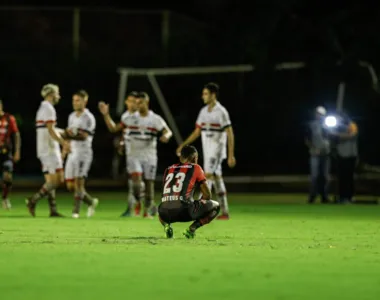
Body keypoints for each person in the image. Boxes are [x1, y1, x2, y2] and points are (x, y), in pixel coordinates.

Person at [99, 92, 172, 218]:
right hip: (133, 155)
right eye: (136, 103)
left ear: (146, 103)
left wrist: (166, 136)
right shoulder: (130, 118)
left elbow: (168, 131)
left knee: (149, 184)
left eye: (140, 103)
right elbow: (114, 129)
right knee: (137, 184)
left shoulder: (155, 119)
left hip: (150, 155)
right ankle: (144, 203)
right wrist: (106, 115)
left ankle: (148, 208)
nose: (137, 105)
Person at [176, 82, 236, 220]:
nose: (203, 96)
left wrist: (231, 155)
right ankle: (225, 211)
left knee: (206, 176)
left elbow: (230, 133)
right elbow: (197, 132)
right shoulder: (203, 112)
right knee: (217, 178)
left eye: (205, 94)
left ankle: (197, 208)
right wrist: (183, 145)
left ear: (213, 95)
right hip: (208, 150)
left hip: (217, 150)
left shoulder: (221, 112)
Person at [98, 91, 145, 216]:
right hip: (131, 153)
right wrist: (106, 114)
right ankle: (135, 206)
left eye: (135, 101)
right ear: (126, 102)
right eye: (130, 101)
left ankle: (142, 205)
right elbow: (115, 129)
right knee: (132, 182)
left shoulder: (142, 116)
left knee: (137, 181)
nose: (132, 104)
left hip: (143, 153)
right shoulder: (126, 116)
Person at [26, 84, 69, 217]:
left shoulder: (43, 108)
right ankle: (33, 200)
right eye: (57, 93)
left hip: (44, 148)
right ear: (51, 95)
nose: (59, 96)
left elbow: (47, 129)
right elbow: (50, 130)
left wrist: (61, 131)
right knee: (58, 179)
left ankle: (53, 209)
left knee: (51, 180)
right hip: (49, 149)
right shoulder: (49, 109)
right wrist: (63, 143)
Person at [159, 145, 220, 239]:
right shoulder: (196, 167)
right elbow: (207, 195)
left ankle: (167, 227)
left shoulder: (168, 169)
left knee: (164, 205)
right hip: (185, 211)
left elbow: (166, 193)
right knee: (216, 206)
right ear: (194, 157)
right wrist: (199, 202)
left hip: (164, 213)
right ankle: (192, 229)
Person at [62, 90, 98, 218]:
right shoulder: (71, 116)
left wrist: (67, 134)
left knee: (78, 183)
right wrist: (64, 150)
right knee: (70, 185)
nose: (75, 103)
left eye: (77, 100)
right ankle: (90, 201)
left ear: (85, 101)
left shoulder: (88, 117)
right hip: (72, 152)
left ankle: (75, 212)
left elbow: (84, 136)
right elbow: (68, 135)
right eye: (74, 100)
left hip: (84, 153)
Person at [330, 113, 358, 203]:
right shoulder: (336, 127)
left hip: (351, 156)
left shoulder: (352, 125)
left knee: (349, 177)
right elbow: (331, 136)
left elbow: (352, 135)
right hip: (341, 155)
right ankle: (342, 197)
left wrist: (338, 135)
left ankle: (350, 196)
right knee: (341, 178)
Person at [305, 106, 330, 203]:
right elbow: (307, 139)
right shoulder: (311, 125)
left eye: (321, 114)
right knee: (314, 176)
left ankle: (324, 197)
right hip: (315, 154)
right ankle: (312, 196)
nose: (319, 116)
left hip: (326, 154)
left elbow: (332, 138)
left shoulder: (328, 125)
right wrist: (313, 148)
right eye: (318, 114)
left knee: (325, 176)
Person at [0, 100, 21, 210]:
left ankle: (5, 198)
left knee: (8, 177)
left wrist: (17, 151)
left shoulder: (9, 118)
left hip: (5, 152)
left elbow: (16, 134)